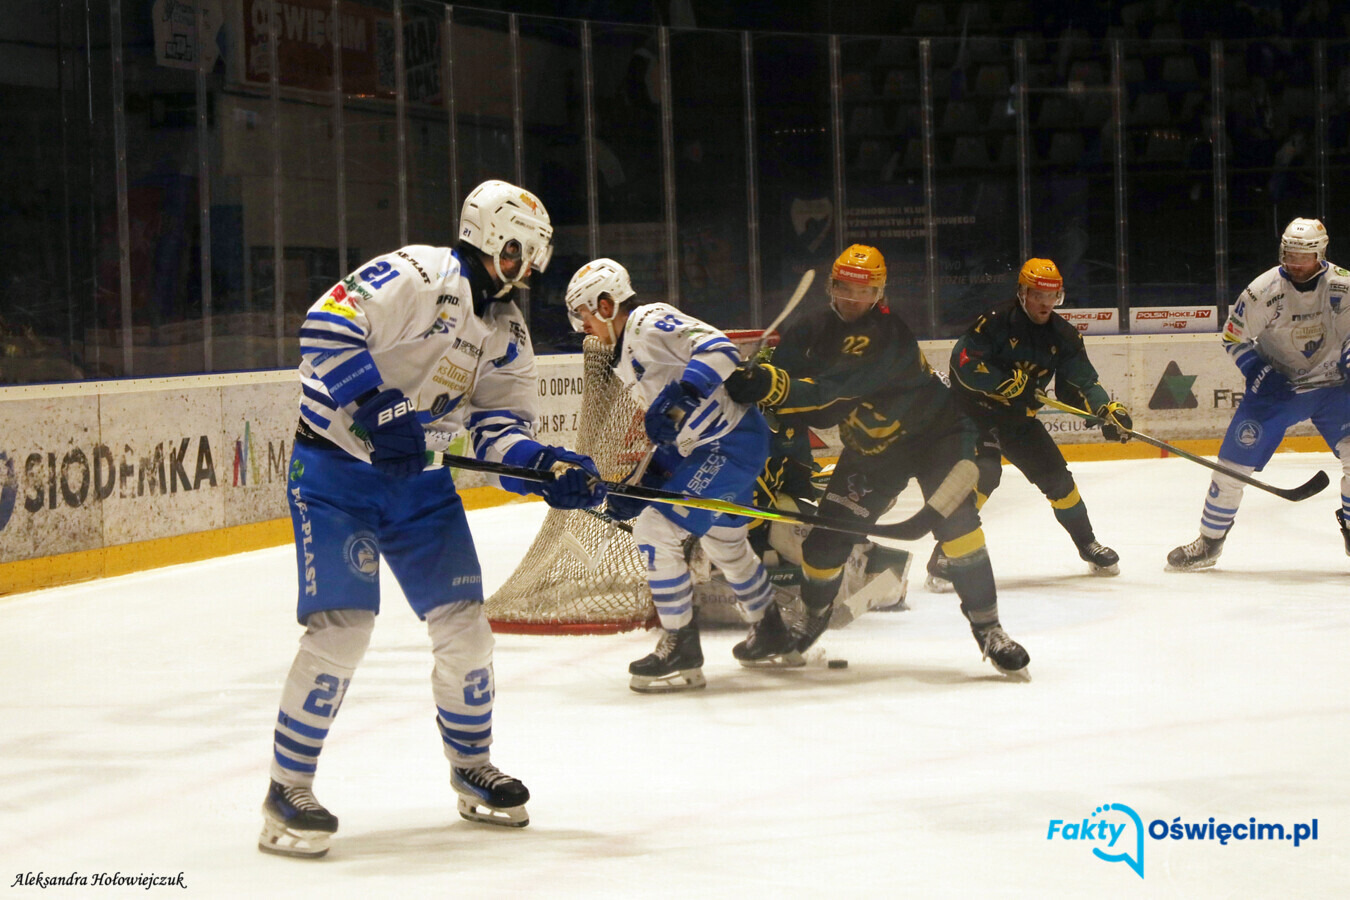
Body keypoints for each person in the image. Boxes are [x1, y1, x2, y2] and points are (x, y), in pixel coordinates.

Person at [259, 180, 607, 859]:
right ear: (489, 238)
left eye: (531, 260)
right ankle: (287, 787)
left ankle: (471, 766)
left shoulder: (507, 330)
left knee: (467, 631)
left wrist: (545, 468)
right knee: (344, 630)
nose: (526, 271)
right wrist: (377, 408)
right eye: (518, 255)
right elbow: (325, 327)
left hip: (417, 488)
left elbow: (497, 431)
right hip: (334, 478)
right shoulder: (420, 273)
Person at [725, 244, 1030, 677]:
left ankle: (990, 629)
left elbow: (833, 392)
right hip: (875, 450)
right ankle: (811, 617)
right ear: (831, 285)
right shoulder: (809, 330)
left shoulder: (889, 335)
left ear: (879, 293)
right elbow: (789, 396)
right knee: (825, 542)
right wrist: (754, 380)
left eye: (863, 290)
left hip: (936, 436)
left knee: (957, 528)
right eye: (844, 287)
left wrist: (773, 385)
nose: (852, 298)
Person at [564, 257, 799, 692]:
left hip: (729, 444)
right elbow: (673, 427)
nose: (583, 327)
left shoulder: (648, 321)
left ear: (604, 303)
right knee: (725, 542)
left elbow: (720, 348)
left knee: (654, 531)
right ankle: (771, 631)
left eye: (583, 314)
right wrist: (647, 478)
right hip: (716, 445)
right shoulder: (625, 350)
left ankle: (681, 646)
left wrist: (682, 398)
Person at [932, 257, 1132, 591]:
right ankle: (945, 552)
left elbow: (1083, 383)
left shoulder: (1064, 336)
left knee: (1060, 483)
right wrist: (1004, 382)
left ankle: (1087, 544)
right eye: (1037, 294)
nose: (1045, 303)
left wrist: (1106, 409)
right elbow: (962, 363)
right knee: (984, 474)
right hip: (973, 412)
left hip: (1017, 419)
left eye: (1051, 296)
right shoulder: (996, 321)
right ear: (1022, 293)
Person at [1168, 218, 1350, 569]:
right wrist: (1259, 372)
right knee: (1231, 467)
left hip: (1333, 388)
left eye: (1303, 256)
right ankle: (1209, 542)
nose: (1295, 264)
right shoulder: (1261, 291)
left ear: (1320, 254)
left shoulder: (1343, 285)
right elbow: (1233, 337)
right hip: (1278, 391)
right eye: (1290, 254)